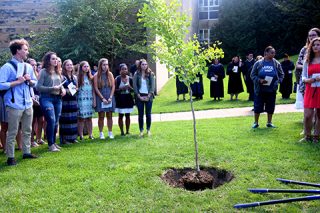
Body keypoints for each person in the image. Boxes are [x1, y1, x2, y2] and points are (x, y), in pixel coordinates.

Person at [0, 38, 38, 165]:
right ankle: (10, 157)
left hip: (28, 103)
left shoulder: (28, 66)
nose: (27, 52)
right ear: (18, 51)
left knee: (27, 129)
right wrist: (17, 82)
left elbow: (35, 83)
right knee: (13, 131)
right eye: (25, 49)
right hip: (13, 103)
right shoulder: (7, 67)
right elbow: (1, 85)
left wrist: (29, 81)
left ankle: (26, 152)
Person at [37, 52, 66, 152]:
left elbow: (60, 84)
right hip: (46, 98)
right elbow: (38, 87)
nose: (56, 61)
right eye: (53, 59)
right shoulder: (43, 72)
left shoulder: (58, 72)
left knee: (56, 121)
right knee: (51, 120)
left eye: (56, 59)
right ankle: (50, 144)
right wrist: (52, 88)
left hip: (57, 99)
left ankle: (53, 142)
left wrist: (63, 90)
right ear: (48, 60)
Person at [251, 46, 284, 128]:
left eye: (274, 52)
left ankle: (269, 122)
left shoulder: (276, 63)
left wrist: (278, 81)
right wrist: (259, 80)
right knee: (258, 106)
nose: (274, 54)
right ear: (266, 53)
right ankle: (256, 122)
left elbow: (281, 74)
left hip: (271, 90)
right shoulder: (258, 63)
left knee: (270, 106)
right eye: (272, 52)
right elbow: (252, 75)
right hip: (260, 90)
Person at [301, 37, 320, 142]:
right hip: (310, 90)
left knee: (319, 115)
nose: (315, 47)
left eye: (318, 44)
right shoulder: (307, 61)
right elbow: (303, 77)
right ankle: (307, 136)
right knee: (308, 115)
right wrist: (311, 79)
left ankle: (316, 136)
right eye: (313, 45)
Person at [94, 58, 115, 139]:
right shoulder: (96, 75)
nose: (105, 66)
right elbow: (96, 88)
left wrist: (110, 97)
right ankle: (101, 133)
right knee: (101, 116)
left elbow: (113, 86)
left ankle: (110, 132)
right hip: (101, 97)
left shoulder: (110, 74)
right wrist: (102, 98)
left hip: (109, 96)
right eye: (104, 65)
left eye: (107, 64)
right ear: (100, 66)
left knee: (109, 116)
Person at [133, 59, 155, 137]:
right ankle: (141, 130)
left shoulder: (151, 74)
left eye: (145, 64)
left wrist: (149, 96)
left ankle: (148, 130)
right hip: (139, 96)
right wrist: (139, 96)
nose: (144, 66)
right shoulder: (136, 74)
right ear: (140, 65)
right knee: (140, 114)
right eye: (143, 64)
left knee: (148, 114)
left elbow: (152, 86)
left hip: (149, 96)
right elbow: (135, 86)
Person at [59, 59, 79, 144]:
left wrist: (76, 89)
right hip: (65, 101)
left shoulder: (74, 77)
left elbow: (77, 87)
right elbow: (61, 89)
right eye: (68, 65)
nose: (70, 66)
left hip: (73, 100)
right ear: (64, 66)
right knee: (65, 120)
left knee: (73, 119)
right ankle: (65, 139)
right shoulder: (62, 77)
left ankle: (73, 138)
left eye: (71, 65)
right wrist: (69, 91)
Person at [27, 58, 45, 147]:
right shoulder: (28, 75)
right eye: (32, 65)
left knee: (41, 120)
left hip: (39, 98)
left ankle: (39, 138)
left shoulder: (38, 74)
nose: (33, 66)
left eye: (34, 65)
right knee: (32, 121)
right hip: (31, 99)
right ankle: (31, 140)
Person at [115, 63, 134, 135]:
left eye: (125, 69)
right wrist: (121, 88)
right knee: (121, 116)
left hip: (128, 98)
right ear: (120, 70)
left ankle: (127, 131)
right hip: (120, 99)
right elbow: (114, 90)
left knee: (128, 115)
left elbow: (134, 90)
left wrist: (130, 87)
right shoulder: (117, 79)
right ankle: (122, 131)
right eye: (122, 69)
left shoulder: (130, 79)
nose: (124, 70)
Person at [77, 61, 95, 140]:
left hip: (89, 99)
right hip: (81, 100)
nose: (86, 68)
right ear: (81, 68)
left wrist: (94, 100)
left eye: (87, 66)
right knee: (81, 118)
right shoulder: (78, 77)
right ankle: (81, 135)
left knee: (89, 118)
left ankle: (90, 134)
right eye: (85, 66)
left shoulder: (91, 77)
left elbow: (93, 90)